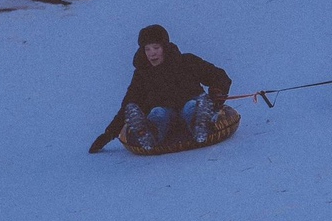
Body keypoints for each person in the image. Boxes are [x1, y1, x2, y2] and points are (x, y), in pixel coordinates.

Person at [88, 24, 232, 153]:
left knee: (191, 106)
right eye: (147, 49)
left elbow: (219, 77)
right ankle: (148, 133)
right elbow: (129, 102)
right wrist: (108, 134)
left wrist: (216, 93)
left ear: (165, 47)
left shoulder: (186, 62)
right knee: (158, 113)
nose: (152, 53)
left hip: (190, 103)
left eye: (156, 48)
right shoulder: (142, 74)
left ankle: (200, 123)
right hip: (165, 113)